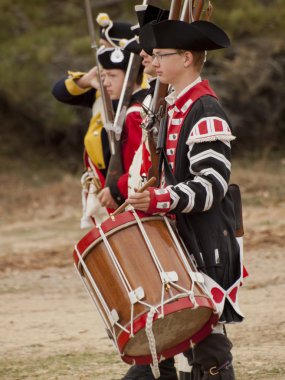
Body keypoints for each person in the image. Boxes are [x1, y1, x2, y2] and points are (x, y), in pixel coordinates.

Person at [126, 19, 245, 380]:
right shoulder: (173, 107)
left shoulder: (204, 110)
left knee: (208, 349)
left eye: (162, 55)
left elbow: (211, 185)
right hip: (182, 239)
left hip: (207, 240)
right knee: (188, 340)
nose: (155, 61)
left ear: (188, 57)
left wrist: (159, 199)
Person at [51, 15, 134, 227]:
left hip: (127, 183)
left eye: (108, 47)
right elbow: (59, 91)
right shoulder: (102, 87)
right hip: (103, 181)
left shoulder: (138, 89)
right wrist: (89, 80)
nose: (102, 54)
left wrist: (117, 187)